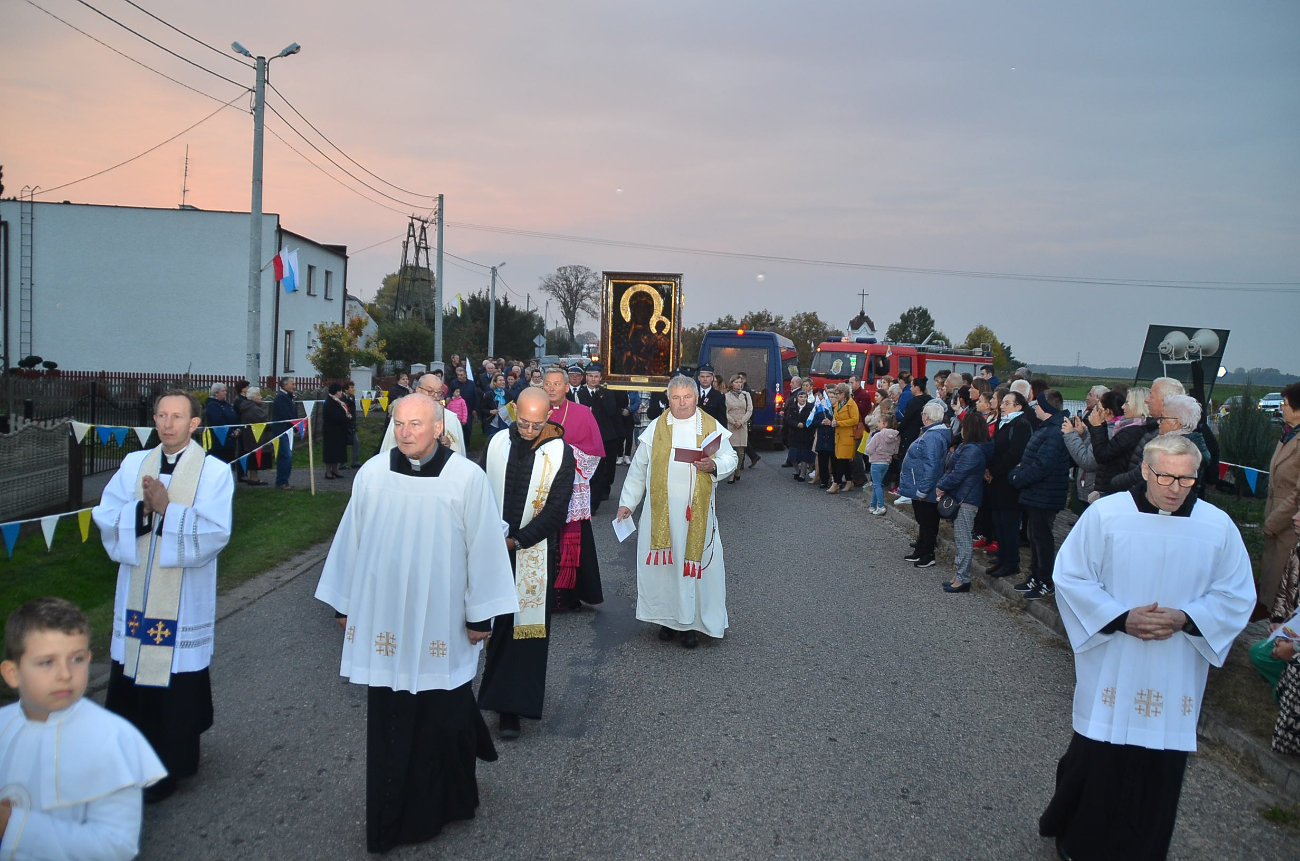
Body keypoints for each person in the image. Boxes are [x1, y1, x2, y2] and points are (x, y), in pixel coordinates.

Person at [315, 394, 519, 854]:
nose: (407, 433)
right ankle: (394, 817)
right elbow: (353, 537)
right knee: (391, 716)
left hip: (441, 620)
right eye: (400, 424)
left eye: (416, 424)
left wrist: (479, 614)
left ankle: (452, 799)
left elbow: (483, 548)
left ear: (438, 427)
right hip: (385, 617)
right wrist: (345, 602)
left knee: (442, 716)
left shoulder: (465, 478)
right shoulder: (372, 474)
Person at [1039, 434, 1255, 861]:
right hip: (1114, 656)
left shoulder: (1217, 527)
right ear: (1144, 470)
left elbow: (1236, 595)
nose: (1175, 488)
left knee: (1159, 766)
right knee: (1100, 755)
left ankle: (1142, 849)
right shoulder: (1106, 515)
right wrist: (1121, 618)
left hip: (1175, 664)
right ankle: (1079, 842)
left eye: (1186, 479)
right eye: (1166, 477)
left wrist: (1187, 618)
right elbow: (1071, 576)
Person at [92, 389, 235, 802]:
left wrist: (168, 509)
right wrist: (142, 511)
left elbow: (214, 532)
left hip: (182, 596)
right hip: (138, 593)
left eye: (177, 417)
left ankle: (172, 763)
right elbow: (106, 513)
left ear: (194, 424)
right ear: (154, 420)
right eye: (161, 415)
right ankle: (129, 760)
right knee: (133, 673)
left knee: (175, 676)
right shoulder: (135, 463)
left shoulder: (213, 472)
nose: (167, 424)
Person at [0, 597, 167, 859]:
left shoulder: (111, 740)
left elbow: (117, 846)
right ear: (12, 673)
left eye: (76, 659)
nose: (65, 674)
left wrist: (14, 825)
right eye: (47, 662)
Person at [477, 388, 574, 739]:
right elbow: (475, 488)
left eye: (537, 424)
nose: (529, 430)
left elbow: (556, 511)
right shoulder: (496, 443)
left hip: (531, 552)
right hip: (489, 548)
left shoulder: (562, 453)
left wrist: (516, 541)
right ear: (514, 411)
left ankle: (511, 709)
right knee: (481, 624)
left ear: (549, 416)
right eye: (523, 422)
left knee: (522, 633)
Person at [617, 375, 738, 648]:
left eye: (687, 397)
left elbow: (730, 457)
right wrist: (627, 503)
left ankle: (691, 623)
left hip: (696, 513)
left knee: (692, 566)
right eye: (676, 398)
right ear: (667, 399)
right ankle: (666, 619)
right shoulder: (657, 428)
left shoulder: (710, 426)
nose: (682, 403)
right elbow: (638, 469)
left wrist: (713, 466)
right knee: (666, 568)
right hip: (661, 511)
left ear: (696, 397)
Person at [541, 368, 605, 612]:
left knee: (569, 539)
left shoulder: (581, 413)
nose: (551, 388)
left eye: (557, 383)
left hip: (570, 486)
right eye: (547, 383)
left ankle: (568, 596)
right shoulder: (533, 411)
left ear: (567, 387)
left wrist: (563, 450)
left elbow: (593, 453)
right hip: (539, 488)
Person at [1009, 390, 1073, 600]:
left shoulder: (1054, 431)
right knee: (1034, 537)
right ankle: (1035, 576)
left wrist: (1019, 478)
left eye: (1038, 404)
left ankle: (1046, 580)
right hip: (1037, 492)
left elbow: (1043, 465)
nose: (1034, 407)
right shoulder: (1047, 427)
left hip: (1045, 493)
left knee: (1042, 539)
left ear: (1046, 408)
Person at [937, 411, 993, 592]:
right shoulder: (971, 447)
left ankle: (963, 578)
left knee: (963, 539)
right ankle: (959, 574)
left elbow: (959, 473)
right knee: (961, 538)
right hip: (963, 496)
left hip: (965, 498)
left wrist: (941, 485)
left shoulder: (973, 450)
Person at [1261, 382, 1300, 617]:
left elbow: (1297, 493)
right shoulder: (1288, 434)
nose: (1281, 408)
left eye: (1285, 404)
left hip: (1288, 525)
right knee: (1270, 580)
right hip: (1276, 520)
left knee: (1282, 586)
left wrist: (1274, 522)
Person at [984, 391, 1033, 579]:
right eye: (1002, 402)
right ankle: (1002, 559)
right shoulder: (1002, 422)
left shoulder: (1021, 424)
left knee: (1009, 523)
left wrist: (993, 471)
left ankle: (1011, 562)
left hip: (1008, 482)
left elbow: (1014, 454)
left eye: (1007, 403)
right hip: (996, 480)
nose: (1002, 406)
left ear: (1018, 407)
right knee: (999, 521)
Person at [898, 401, 951, 568]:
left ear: (926, 417)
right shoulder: (931, 434)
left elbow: (932, 465)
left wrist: (923, 489)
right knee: (923, 520)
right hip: (920, 483)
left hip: (925, 486)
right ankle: (921, 549)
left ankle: (928, 553)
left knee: (928, 521)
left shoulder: (933, 437)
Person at [377, 374, 466, 457]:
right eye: (430, 391)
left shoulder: (450, 419)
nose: (435, 396)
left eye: (439, 392)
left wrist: (447, 447)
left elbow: (459, 455)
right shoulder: (402, 415)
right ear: (418, 390)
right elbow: (390, 450)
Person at [577, 363, 623, 508]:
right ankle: (588, 498)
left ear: (600, 378)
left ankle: (597, 498)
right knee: (589, 468)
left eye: (596, 377)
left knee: (602, 468)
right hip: (586, 435)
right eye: (590, 376)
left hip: (604, 435)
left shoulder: (607, 393)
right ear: (586, 377)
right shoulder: (580, 393)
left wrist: (601, 397)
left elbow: (611, 411)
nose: (593, 379)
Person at [826, 382, 860, 494]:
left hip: (848, 436)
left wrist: (840, 423)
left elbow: (855, 420)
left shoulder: (851, 404)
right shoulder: (838, 405)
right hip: (839, 436)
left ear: (844, 394)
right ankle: (849, 481)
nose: (836, 396)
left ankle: (836, 483)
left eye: (837, 394)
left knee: (841, 460)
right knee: (843, 460)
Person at [234, 382, 269, 486]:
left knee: (252, 456)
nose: (261, 397)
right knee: (253, 457)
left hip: (250, 435)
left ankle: (252, 477)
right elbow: (263, 420)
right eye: (259, 395)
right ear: (253, 397)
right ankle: (253, 478)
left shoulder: (247, 406)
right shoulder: (253, 409)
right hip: (254, 436)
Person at [865, 412, 899, 515]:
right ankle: (872, 505)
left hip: (876, 462)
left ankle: (880, 505)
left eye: (879, 422)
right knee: (878, 484)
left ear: (885, 424)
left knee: (877, 485)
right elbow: (895, 451)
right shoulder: (895, 436)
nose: (878, 424)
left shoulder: (878, 435)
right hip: (886, 462)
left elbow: (869, 449)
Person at [724, 373, 753, 484]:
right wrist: (733, 421)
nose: (739, 384)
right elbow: (725, 411)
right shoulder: (726, 396)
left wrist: (742, 421)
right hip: (731, 424)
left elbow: (750, 410)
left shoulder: (746, 395)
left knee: (740, 452)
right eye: (736, 382)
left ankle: (737, 470)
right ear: (731, 383)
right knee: (731, 451)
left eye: (740, 382)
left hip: (742, 424)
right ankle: (731, 474)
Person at [322, 382, 352, 480]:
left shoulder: (338, 401)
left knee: (337, 451)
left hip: (339, 430)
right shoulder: (330, 402)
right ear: (336, 392)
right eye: (340, 391)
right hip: (331, 431)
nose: (341, 393)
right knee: (331, 451)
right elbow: (335, 416)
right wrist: (346, 418)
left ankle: (335, 470)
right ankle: (328, 471)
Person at [271, 377, 297, 489]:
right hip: (282, 431)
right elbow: (287, 415)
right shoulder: (281, 398)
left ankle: (283, 480)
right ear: (285, 385)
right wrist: (295, 426)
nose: (294, 386)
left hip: (287, 430)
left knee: (286, 456)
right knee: (285, 456)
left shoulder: (287, 397)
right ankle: (282, 481)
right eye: (292, 384)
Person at [786, 389, 817, 483]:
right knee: (793, 456)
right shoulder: (792, 408)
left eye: (805, 397)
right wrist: (796, 424)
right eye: (801, 397)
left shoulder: (810, 408)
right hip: (794, 434)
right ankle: (797, 470)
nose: (803, 399)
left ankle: (802, 474)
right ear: (797, 398)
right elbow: (787, 420)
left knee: (804, 456)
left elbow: (812, 420)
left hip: (805, 434)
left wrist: (804, 424)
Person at [203, 382, 238, 464]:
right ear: (216, 393)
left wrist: (238, 429)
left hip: (229, 442)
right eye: (223, 391)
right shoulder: (212, 405)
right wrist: (231, 432)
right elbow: (218, 421)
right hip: (218, 442)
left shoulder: (227, 405)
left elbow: (235, 418)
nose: (225, 393)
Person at [342, 380, 362, 469]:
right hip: (345, 424)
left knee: (356, 442)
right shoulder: (343, 399)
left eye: (353, 387)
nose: (353, 389)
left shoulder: (352, 397)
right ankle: (342, 463)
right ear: (346, 389)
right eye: (351, 387)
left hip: (352, 424)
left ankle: (355, 461)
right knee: (344, 443)